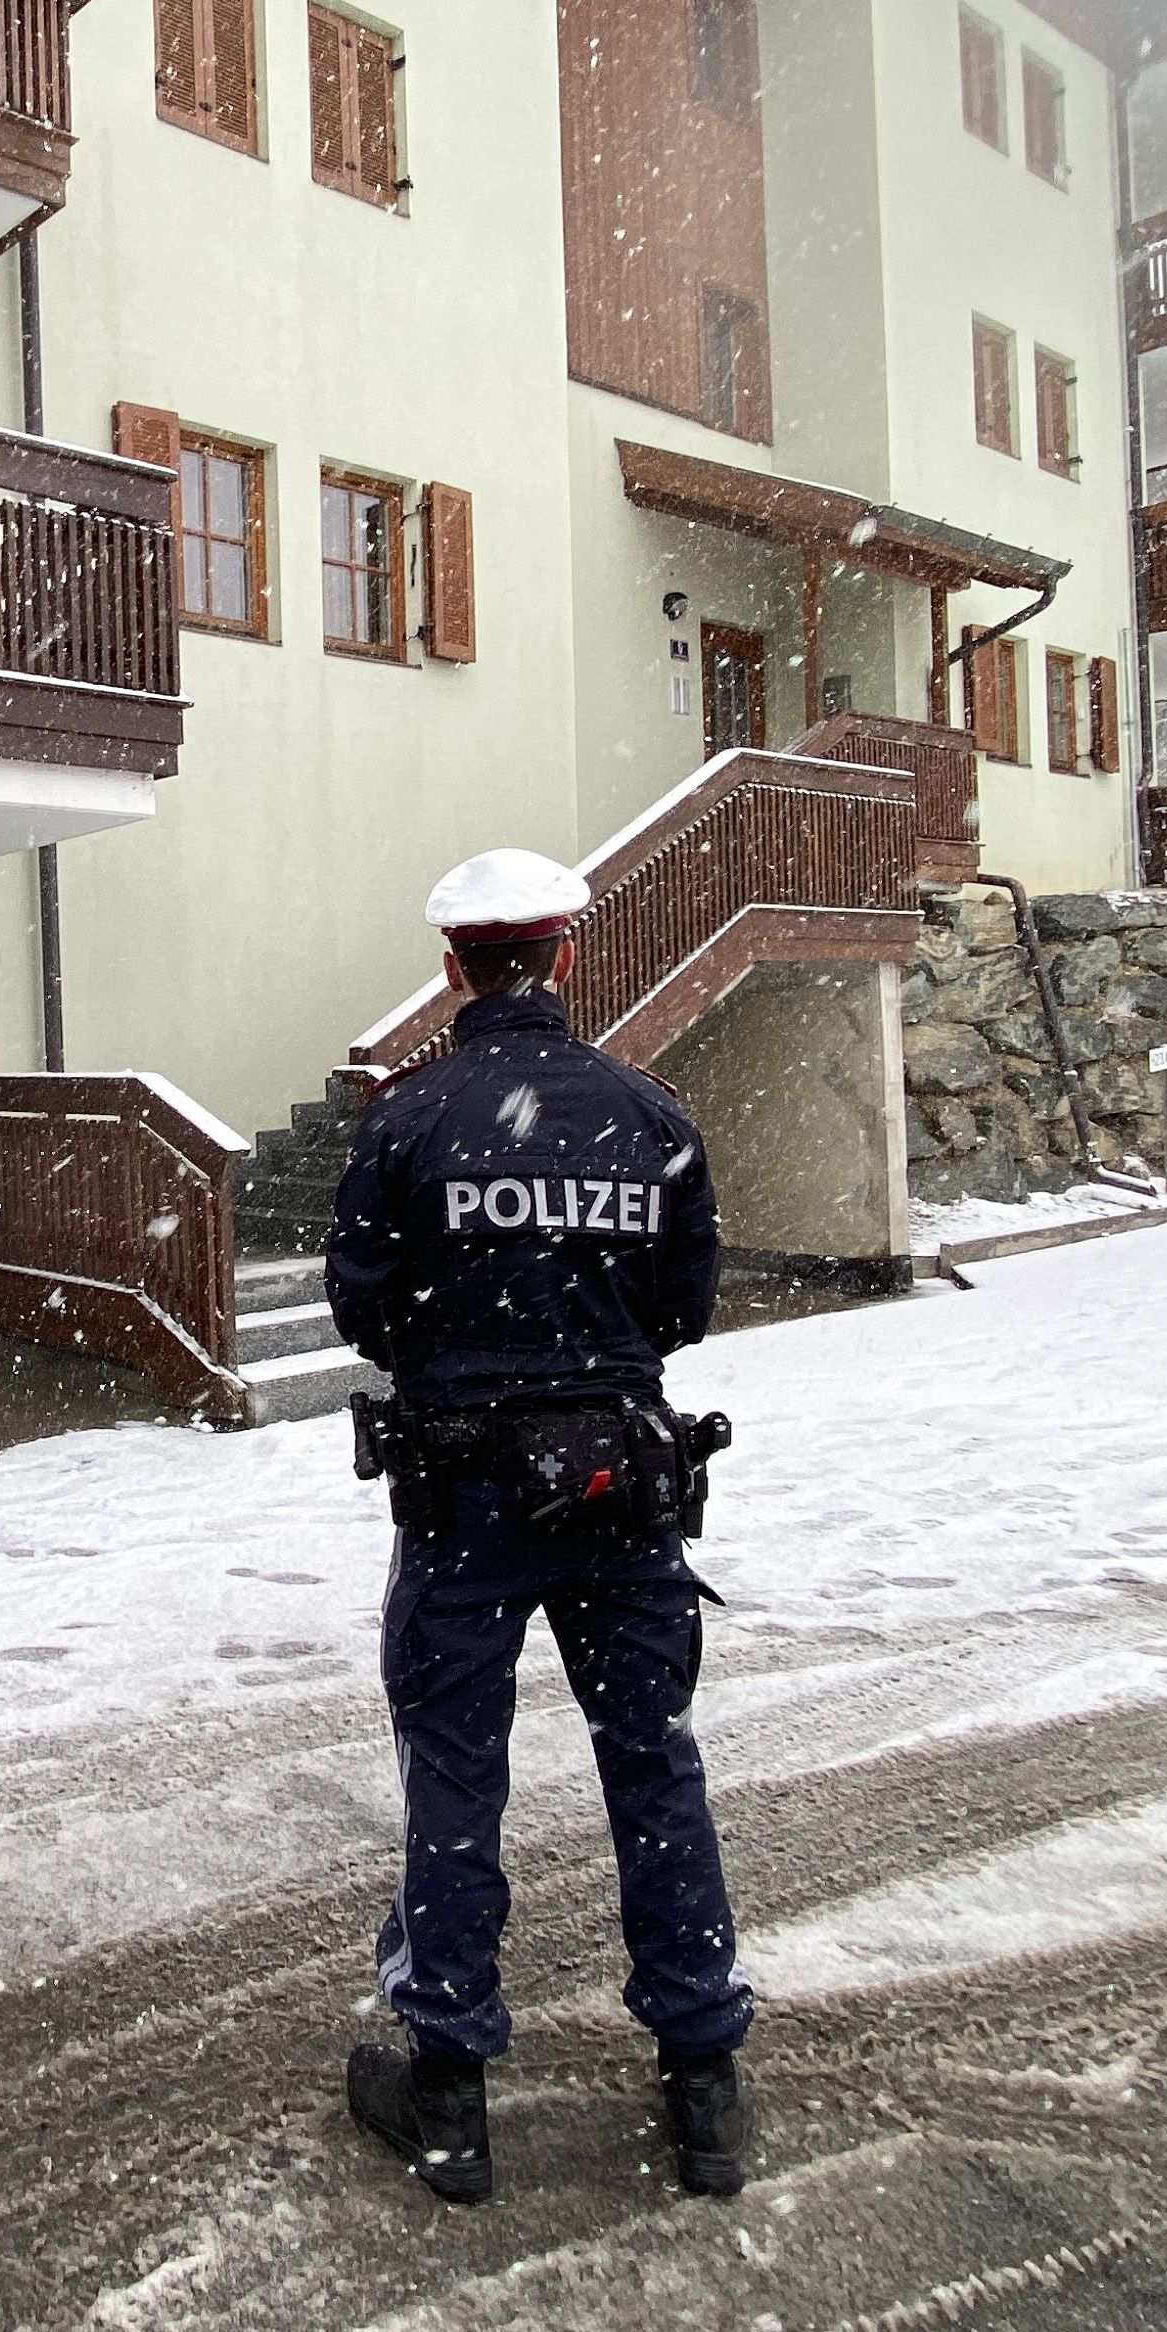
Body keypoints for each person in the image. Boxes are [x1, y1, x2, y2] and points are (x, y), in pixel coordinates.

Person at [326, 849, 752, 2207]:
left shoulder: (406, 1122)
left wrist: (472, 1354)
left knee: (456, 1782)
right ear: (563, 957)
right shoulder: (648, 1112)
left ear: (456, 968)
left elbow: (362, 1308)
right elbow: (685, 1306)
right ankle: (703, 2083)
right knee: (654, 1766)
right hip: (623, 1493)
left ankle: (448, 2088)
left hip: (464, 1502)